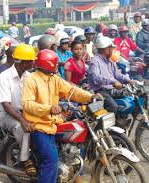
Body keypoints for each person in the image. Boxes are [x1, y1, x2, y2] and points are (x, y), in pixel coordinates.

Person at [22, 49, 101, 183]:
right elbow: (27, 104)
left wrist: (90, 97)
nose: (57, 66)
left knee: (78, 143)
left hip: (55, 123)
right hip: (39, 126)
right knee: (51, 160)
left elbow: (71, 90)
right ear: (49, 65)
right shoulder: (31, 80)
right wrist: (49, 109)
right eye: (55, 63)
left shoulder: (54, 79)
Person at [0, 44, 36, 176]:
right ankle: (26, 160)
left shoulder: (29, 76)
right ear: (23, 62)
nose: (33, 62)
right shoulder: (3, 77)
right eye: (31, 60)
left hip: (25, 112)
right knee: (21, 127)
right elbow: (6, 105)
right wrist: (22, 119)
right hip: (6, 115)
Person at [88, 36, 137, 114]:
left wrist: (129, 80)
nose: (113, 50)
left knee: (130, 99)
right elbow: (96, 78)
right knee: (114, 106)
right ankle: (112, 125)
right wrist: (113, 82)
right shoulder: (95, 61)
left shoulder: (110, 61)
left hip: (110, 89)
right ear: (104, 48)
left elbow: (118, 75)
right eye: (111, 48)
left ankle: (124, 120)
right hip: (100, 90)